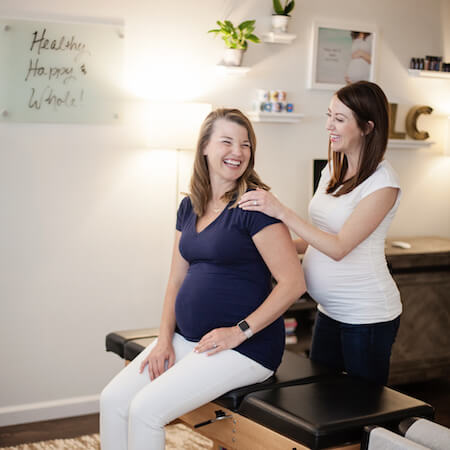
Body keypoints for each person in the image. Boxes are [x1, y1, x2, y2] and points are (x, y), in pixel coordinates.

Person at [100, 108, 305, 449]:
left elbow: (293, 283)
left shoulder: (256, 206)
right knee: (113, 400)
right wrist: (164, 339)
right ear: (205, 148)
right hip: (188, 339)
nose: (237, 151)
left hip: (246, 349)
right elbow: (175, 280)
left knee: (146, 410)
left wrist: (239, 332)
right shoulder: (189, 206)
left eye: (246, 144)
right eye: (227, 141)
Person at [239, 81, 401, 386]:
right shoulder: (333, 171)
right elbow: (316, 240)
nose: (329, 126)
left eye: (339, 119)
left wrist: (281, 211)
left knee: (360, 409)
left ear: (367, 127)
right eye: (329, 116)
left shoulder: (383, 184)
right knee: (320, 396)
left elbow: (339, 247)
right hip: (329, 311)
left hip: (366, 317)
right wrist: (266, 244)